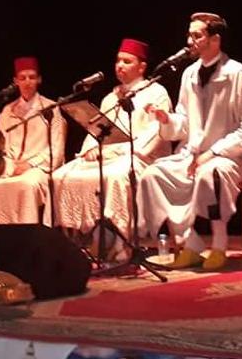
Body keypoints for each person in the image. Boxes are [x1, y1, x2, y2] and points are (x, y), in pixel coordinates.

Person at [137, 12, 242, 271]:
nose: (189, 41)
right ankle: (189, 243)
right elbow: (184, 122)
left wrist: (212, 153)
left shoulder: (237, 74)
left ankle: (219, 245)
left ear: (215, 39)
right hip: (192, 154)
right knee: (152, 175)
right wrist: (166, 119)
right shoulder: (189, 74)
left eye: (197, 35)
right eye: (189, 35)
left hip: (229, 155)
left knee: (209, 175)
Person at [54, 39, 172, 257]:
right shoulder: (111, 97)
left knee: (117, 176)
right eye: (118, 61)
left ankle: (121, 244)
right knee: (62, 175)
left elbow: (156, 132)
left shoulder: (156, 93)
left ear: (142, 67)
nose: (120, 66)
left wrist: (124, 150)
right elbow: (97, 127)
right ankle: (77, 242)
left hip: (142, 157)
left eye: (127, 61)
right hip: (108, 155)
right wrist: (91, 148)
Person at [0, 56, 66, 226]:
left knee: (26, 185)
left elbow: (56, 150)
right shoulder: (8, 111)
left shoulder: (51, 109)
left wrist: (29, 164)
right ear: (16, 81)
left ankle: (27, 234)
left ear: (39, 80)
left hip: (39, 168)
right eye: (23, 78)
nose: (27, 82)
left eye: (32, 77)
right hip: (11, 167)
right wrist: (10, 165)